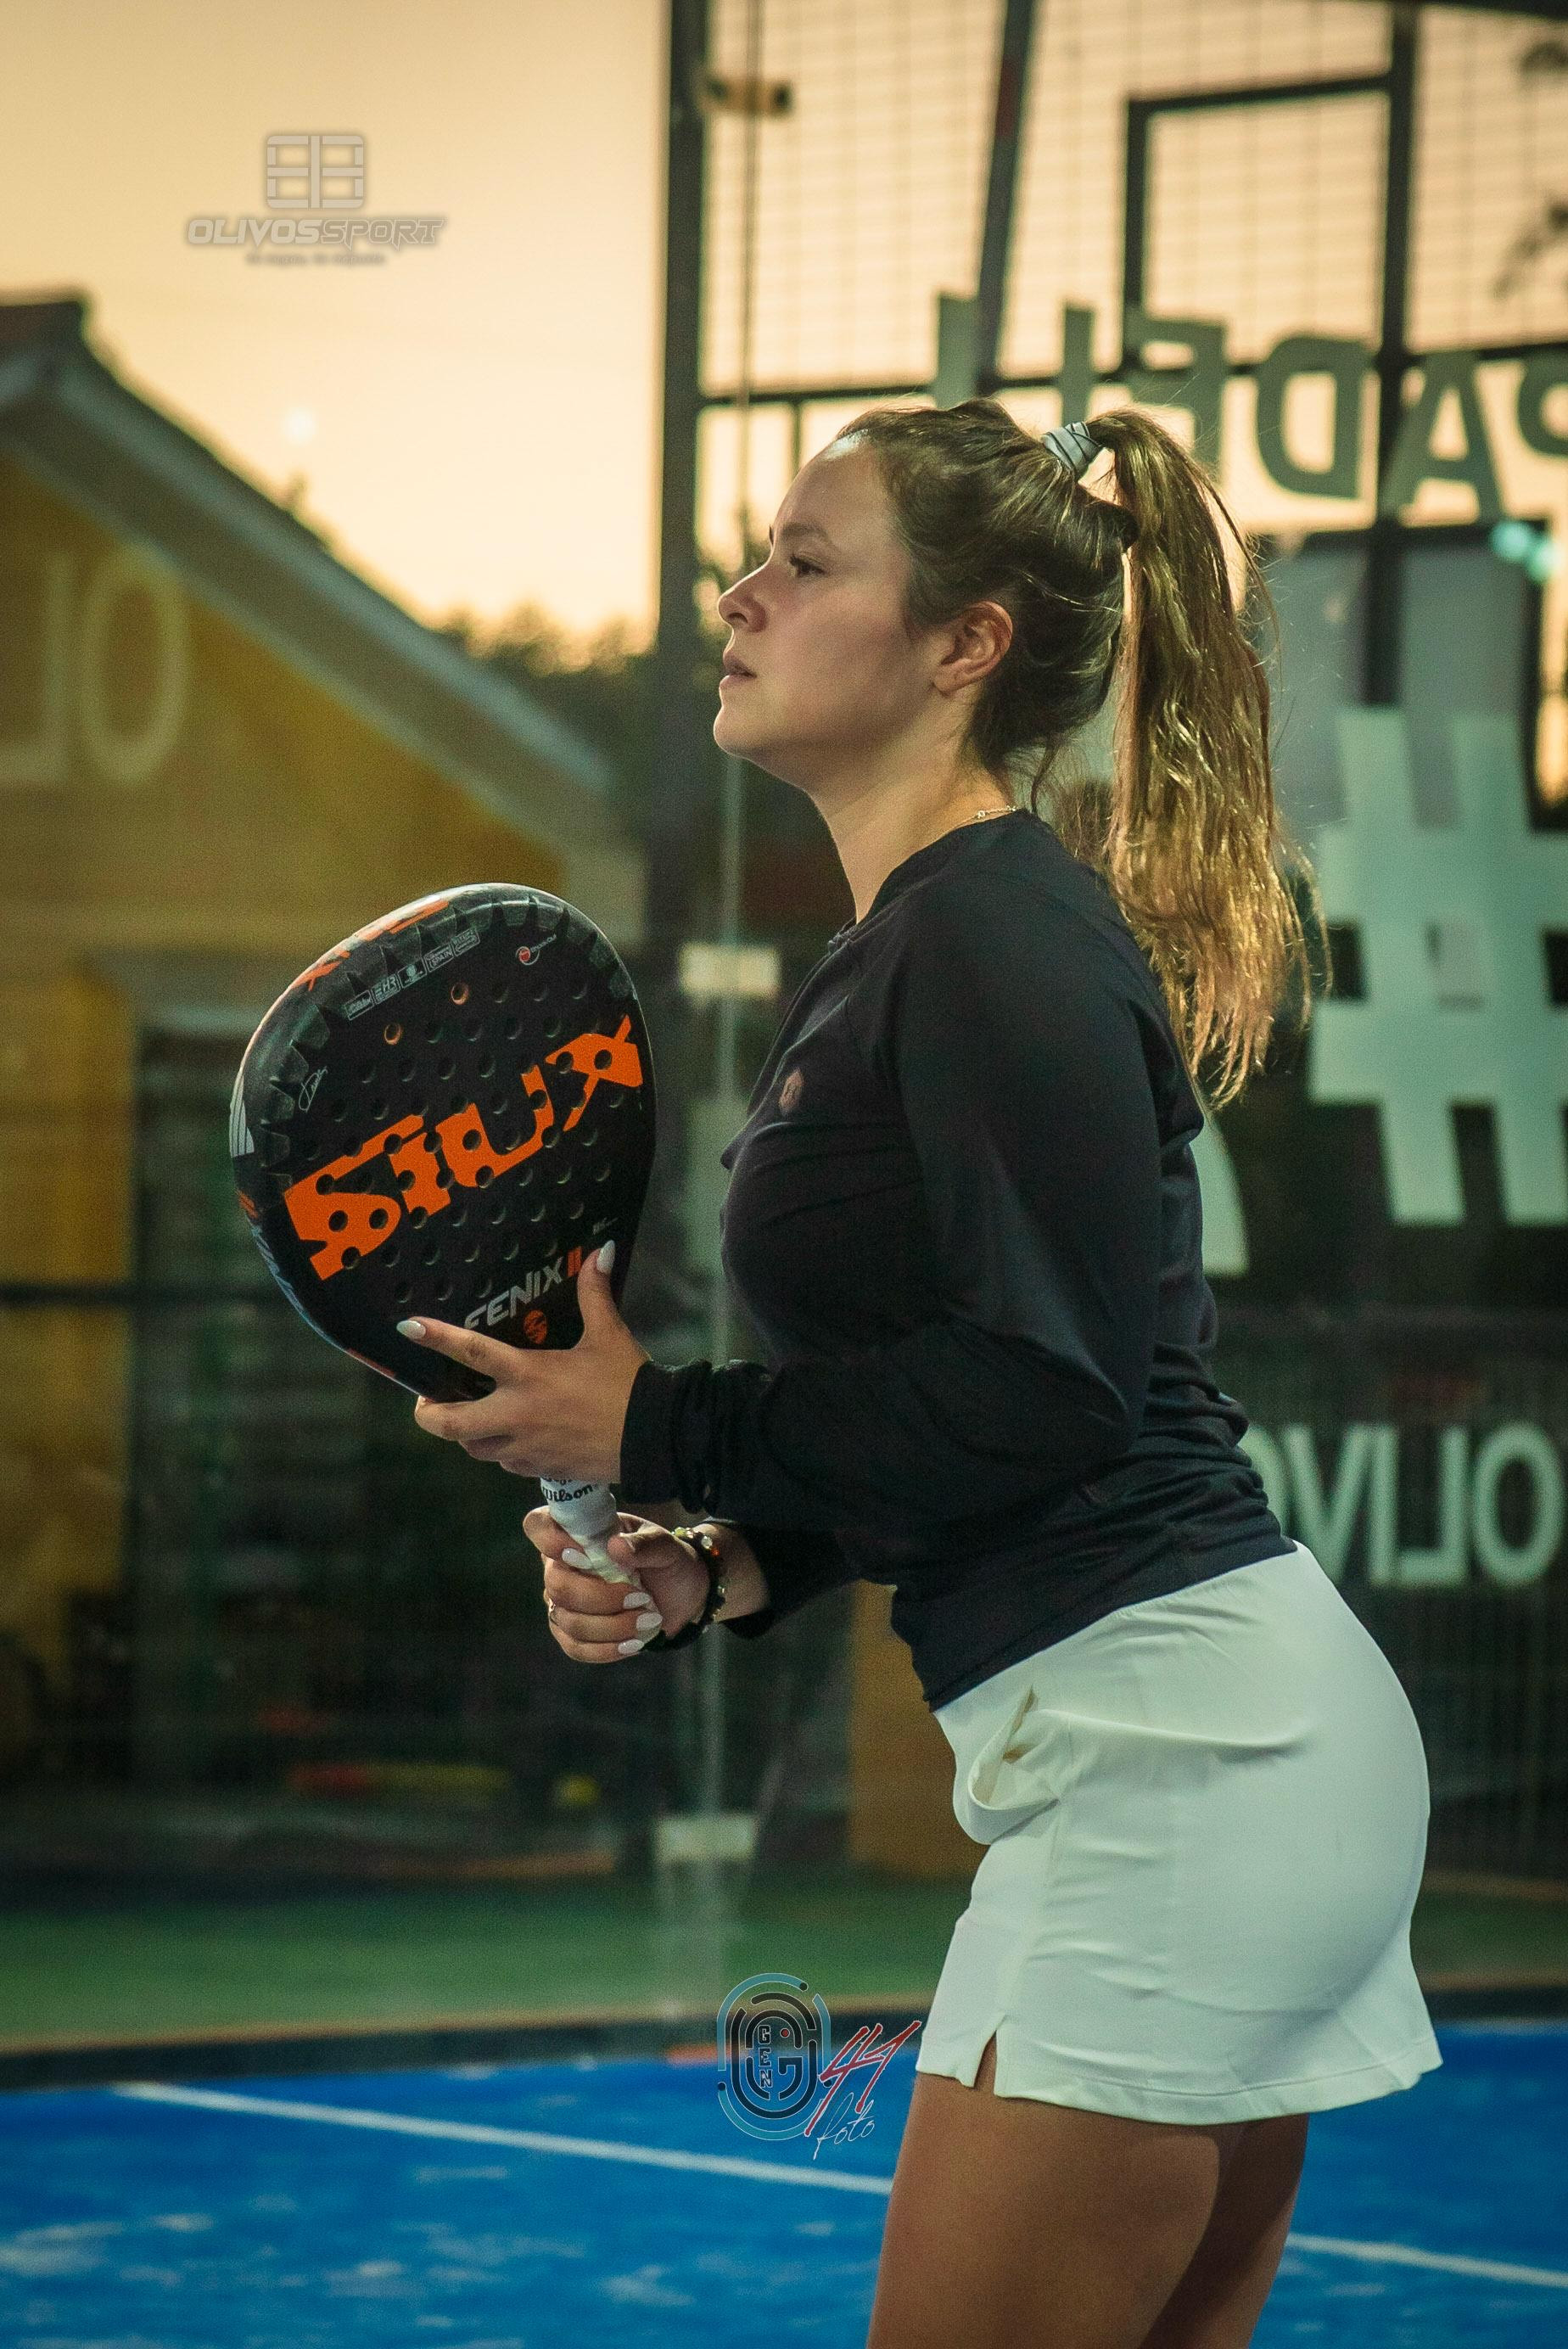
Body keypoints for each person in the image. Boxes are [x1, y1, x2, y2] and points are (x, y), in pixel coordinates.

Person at [524, 400, 1443, 2349]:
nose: (740, 593)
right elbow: (970, 1410)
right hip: (1200, 1742)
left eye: (806, 562)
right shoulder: (922, 939)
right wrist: (722, 1560)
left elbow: (1048, 1392)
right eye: (758, 556)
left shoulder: (997, 938)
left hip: (1182, 1761)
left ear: (965, 645)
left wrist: (656, 1423)